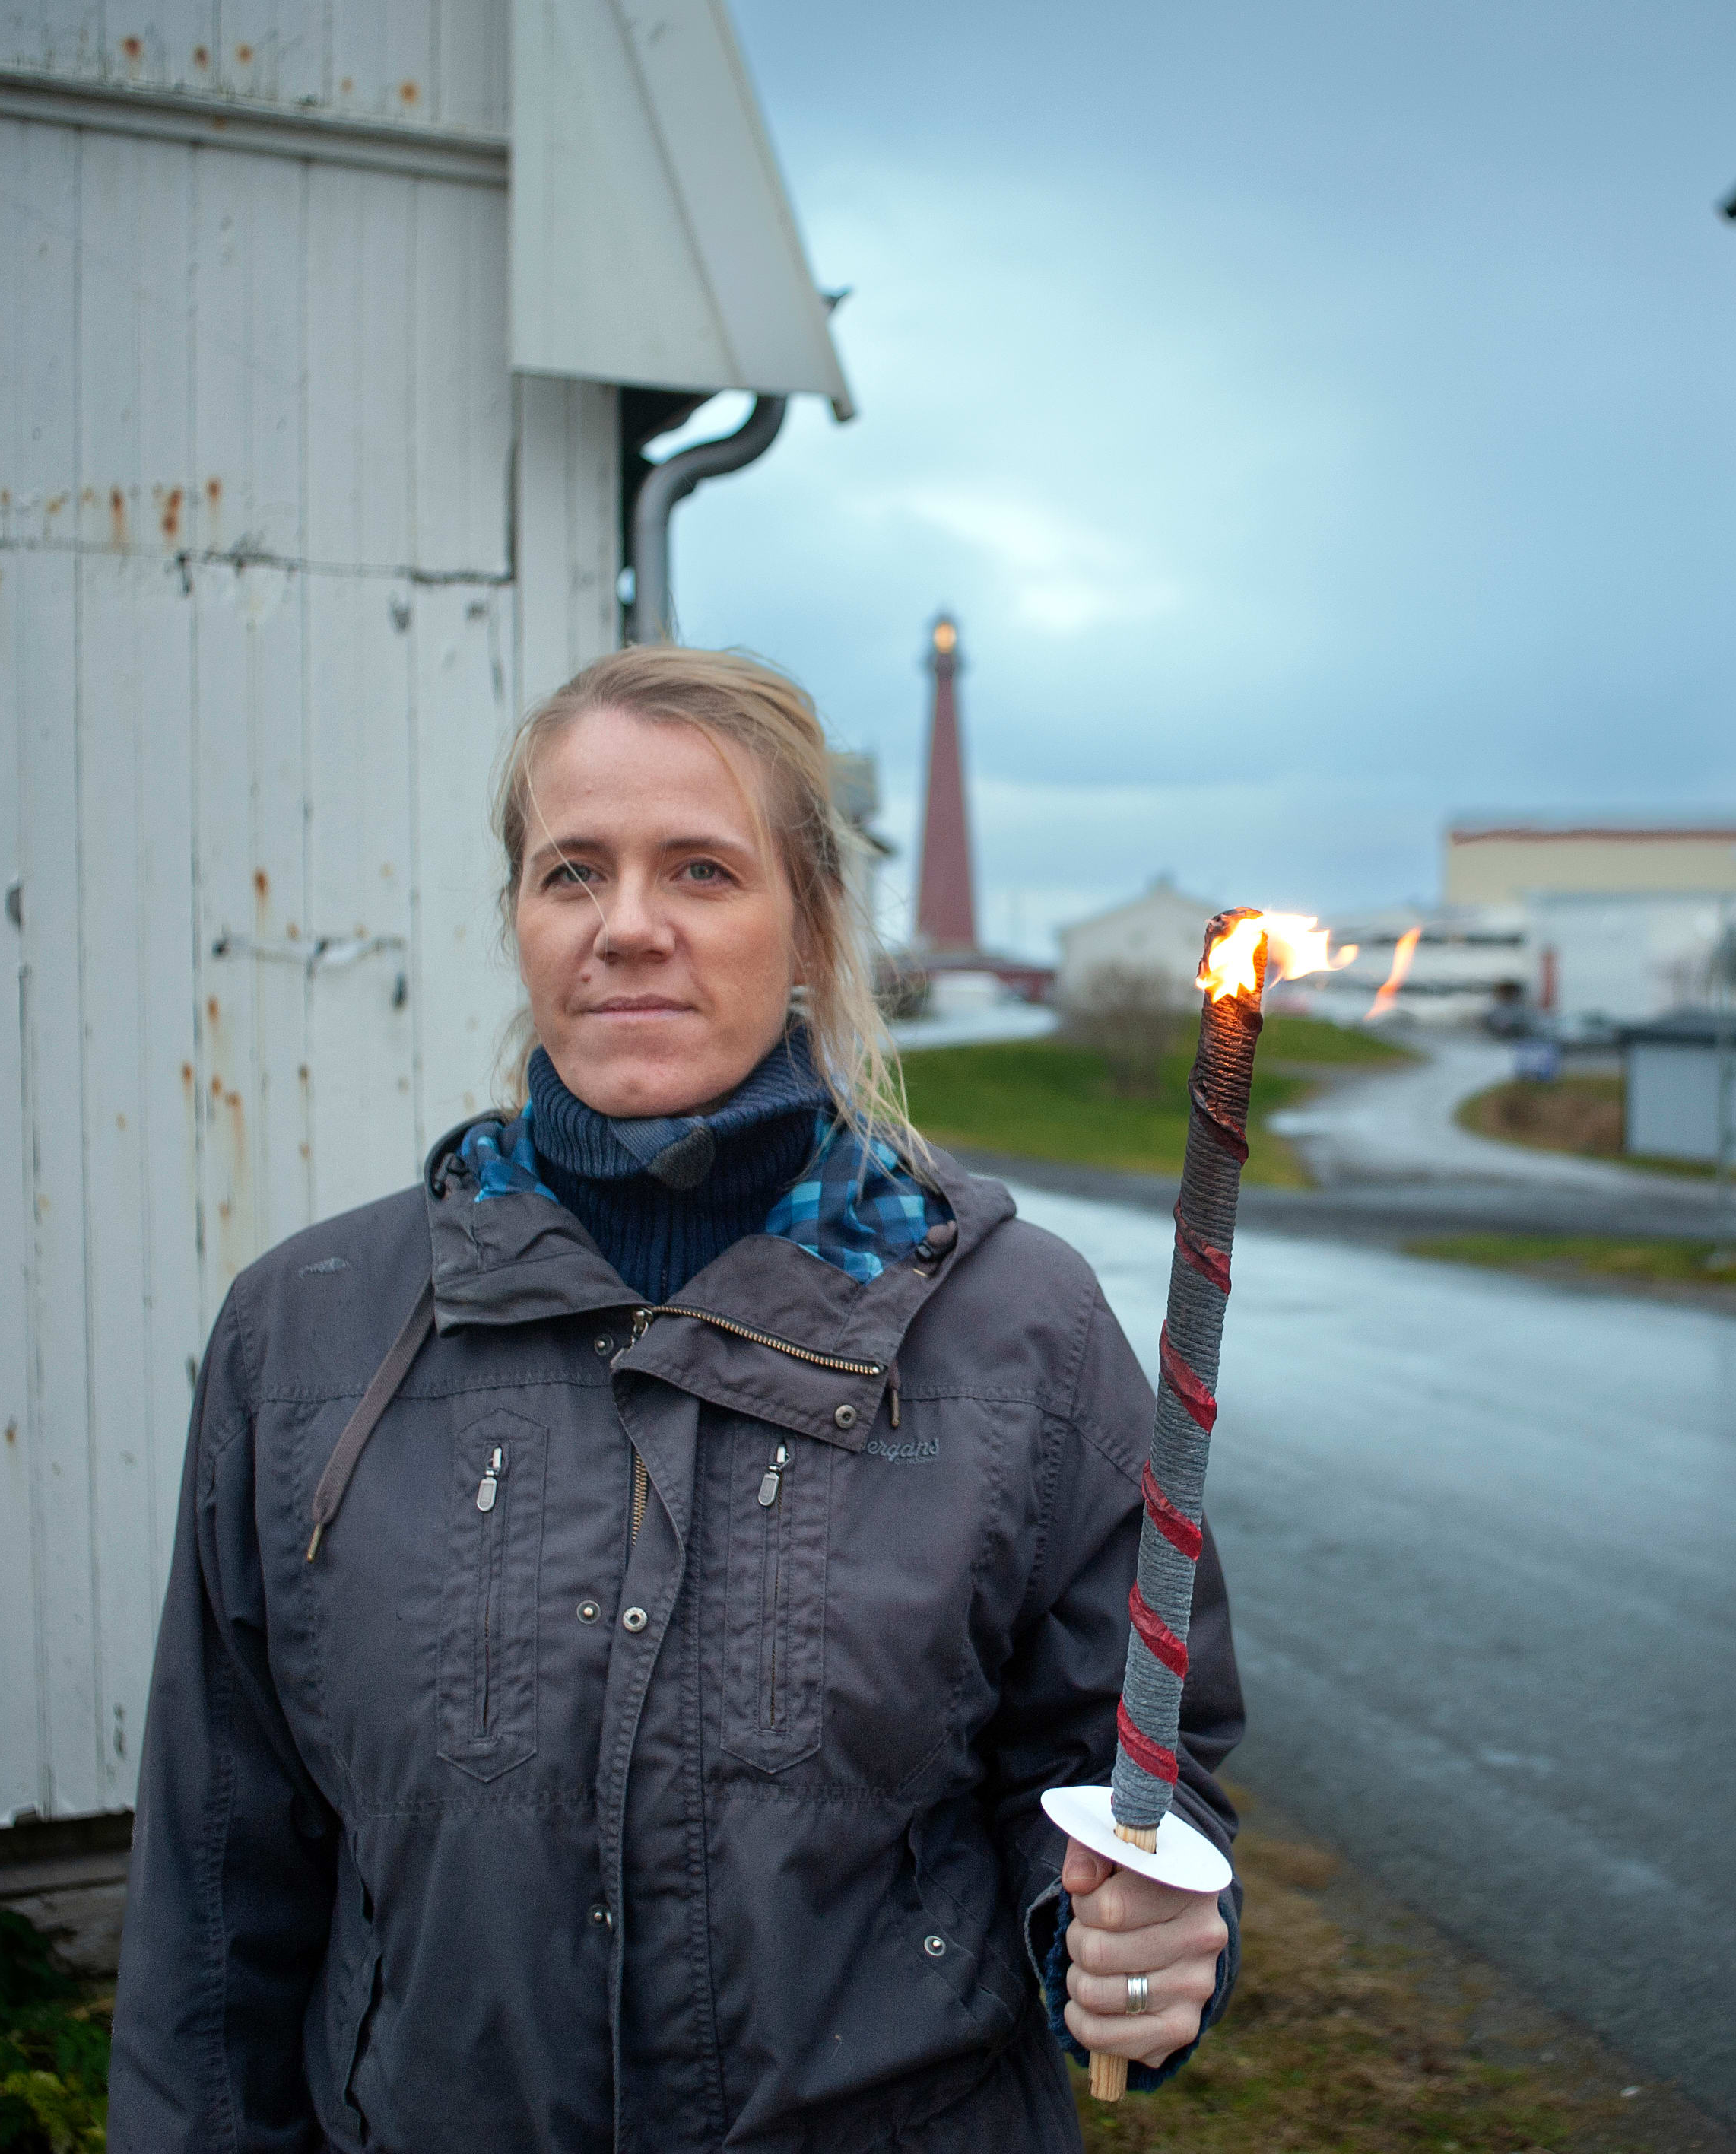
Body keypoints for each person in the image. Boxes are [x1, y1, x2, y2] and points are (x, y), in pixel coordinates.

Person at [109, 647, 1242, 2151]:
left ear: (812, 923)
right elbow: (216, 1894)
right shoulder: (308, 1334)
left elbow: (1122, 1762)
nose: (627, 925)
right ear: (518, 917)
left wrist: (1121, 1928)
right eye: (572, 871)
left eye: (701, 870)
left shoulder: (1018, 1331)